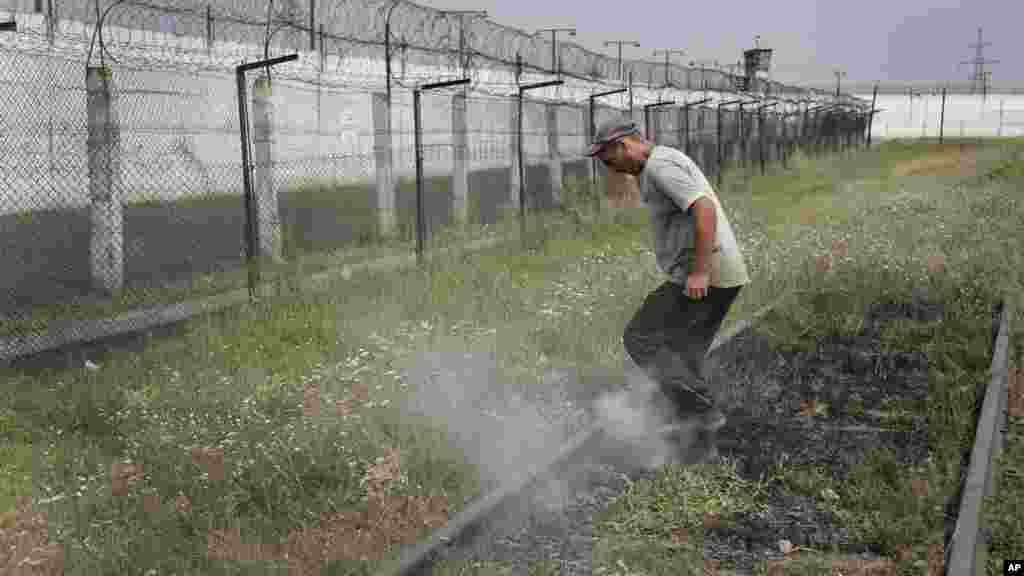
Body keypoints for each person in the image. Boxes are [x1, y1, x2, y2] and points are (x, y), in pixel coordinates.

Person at [587, 117, 751, 464]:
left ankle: (703, 413)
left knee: (640, 338)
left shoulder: (660, 167)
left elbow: (703, 209)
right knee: (683, 355)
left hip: (706, 275)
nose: (609, 168)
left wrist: (699, 272)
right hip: (718, 272)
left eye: (607, 159)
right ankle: (701, 445)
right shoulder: (658, 163)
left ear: (623, 145)